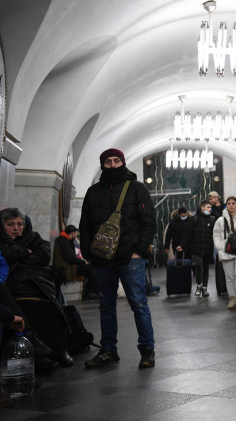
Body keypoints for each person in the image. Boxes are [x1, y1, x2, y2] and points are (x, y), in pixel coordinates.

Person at [79, 148, 157, 369]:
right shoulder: (93, 192)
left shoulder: (136, 189)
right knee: (106, 306)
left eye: (116, 161)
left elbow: (149, 222)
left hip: (130, 258)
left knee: (139, 304)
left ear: (123, 162)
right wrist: (88, 254)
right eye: (108, 162)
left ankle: (147, 350)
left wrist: (139, 251)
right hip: (101, 260)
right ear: (102, 165)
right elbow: (85, 225)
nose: (112, 165)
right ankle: (108, 351)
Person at [0, 208, 73, 368]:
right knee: (28, 308)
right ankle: (37, 355)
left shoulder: (33, 237)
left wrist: (18, 256)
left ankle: (60, 350)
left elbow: (44, 254)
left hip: (37, 284)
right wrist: (25, 252)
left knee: (51, 308)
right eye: (10, 224)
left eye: (19, 224)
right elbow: (3, 254)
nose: (16, 228)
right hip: (15, 287)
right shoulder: (3, 242)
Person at [53, 224, 98, 300]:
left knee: (92, 268)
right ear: (72, 233)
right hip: (67, 268)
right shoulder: (64, 241)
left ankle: (91, 292)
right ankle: (90, 293)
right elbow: (71, 258)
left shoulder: (65, 240)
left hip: (69, 265)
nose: (77, 234)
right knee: (92, 269)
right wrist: (83, 262)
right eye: (76, 232)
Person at [185, 200, 216, 297]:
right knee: (198, 265)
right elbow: (188, 233)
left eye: (210, 207)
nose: (209, 209)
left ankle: (205, 288)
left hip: (207, 248)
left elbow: (214, 234)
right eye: (207, 207)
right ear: (202, 208)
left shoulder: (211, 220)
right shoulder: (194, 219)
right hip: (196, 248)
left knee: (206, 268)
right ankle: (198, 285)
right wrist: (183, 245)